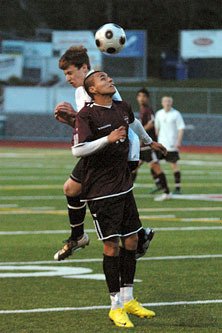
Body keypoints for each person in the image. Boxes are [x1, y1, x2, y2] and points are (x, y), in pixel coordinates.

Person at [72, 70, 166, 328]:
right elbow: (77, 149)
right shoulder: (87, 114)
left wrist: (151, 143)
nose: (110, 80)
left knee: (133, 240)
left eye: (110, 77)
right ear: (92, 89)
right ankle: (114, 306)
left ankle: (128, 298)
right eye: (103, 78)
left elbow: (134, 126)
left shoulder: (122, 106)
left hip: (124, 186)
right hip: (101, 191)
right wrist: (107, 139)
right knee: (111, 246)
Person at [53, 46, 156, 261]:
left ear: (84, 68)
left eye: (70, 72)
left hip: (117, 152)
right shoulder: (81, 91)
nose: (68, 78)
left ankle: (126, 238)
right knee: (74, 189)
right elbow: (92, 129)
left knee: (99, 196)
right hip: (105, 150)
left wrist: (148, 142)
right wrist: (72, 120)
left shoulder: (100, 87)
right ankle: (134, 234)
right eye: (65, 74)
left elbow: (124, 120)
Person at [133, 88, 170, 198]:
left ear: (147, 98)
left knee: (155, 167)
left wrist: (141, 131)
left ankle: (167, 192)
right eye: (139, 96)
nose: (141, 98)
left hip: (149, 146)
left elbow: (152, 123)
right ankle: (127, 192)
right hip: (142, 146)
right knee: (133, 167)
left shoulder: (148, 110)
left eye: (144, 96)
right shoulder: (142, 110)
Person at [154, 96, 185, 201]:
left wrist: (178, 142)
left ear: (172, 103)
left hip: (171, 145)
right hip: (161, 144)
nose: (167, 103)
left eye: (169, 101)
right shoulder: (159, 113)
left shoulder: (176, 114)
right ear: (162, 103)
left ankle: (177, 187)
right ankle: (159, 185)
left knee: (174, 165)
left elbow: (181, 128)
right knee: (154, 163)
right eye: (165, 101)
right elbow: (156, 129)